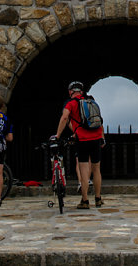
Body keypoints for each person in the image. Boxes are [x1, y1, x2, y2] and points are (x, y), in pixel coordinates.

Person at [54, 80, 104, 209]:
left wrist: (57, 136)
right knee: (96, 169)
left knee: (83, 169)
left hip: (83, 139)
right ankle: (98, 199)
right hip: (96, 137)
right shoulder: (91, 101)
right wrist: (102, 138)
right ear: (82, 91)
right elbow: (99, 119)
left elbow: (65, 118)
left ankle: (85, 200)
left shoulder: (70, 103)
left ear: (70, 92)